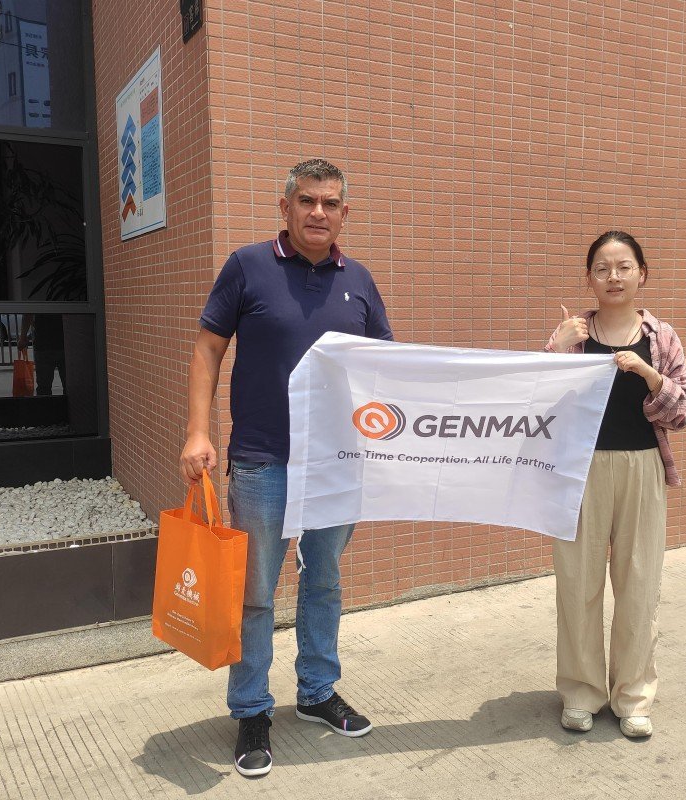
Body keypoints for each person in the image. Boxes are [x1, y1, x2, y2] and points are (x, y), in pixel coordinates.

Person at [179, 159, 392, 778]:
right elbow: (207, 349)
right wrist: (198, 431)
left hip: (336, 464)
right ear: (286, 207)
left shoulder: (360, 281)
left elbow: (387, 368)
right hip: (263, 460)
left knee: (322, 581)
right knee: (255, 593)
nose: (318, 213)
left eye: (329, 203)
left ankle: (318, 691)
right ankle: (251, 709)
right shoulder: (248, 266)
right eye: (306, 201)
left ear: (345, 213)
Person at [544, 230, 686, 739]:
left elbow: (685, 411)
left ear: (641, 274)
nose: (614, 276)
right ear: (589, 278)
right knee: (578, 584)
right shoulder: (573, 333)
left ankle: (633, 697)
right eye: (603, 268)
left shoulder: (661, 337)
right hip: (579, 472)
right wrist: (556, 349)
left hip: (642, 469)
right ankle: (581, 693)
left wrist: (651, 376)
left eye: (624, 266)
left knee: (639, 586)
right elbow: (541, 405)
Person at [17, 314, 66, 395]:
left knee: (44, 387)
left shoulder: (38, 301)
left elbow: (28, 315)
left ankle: (45, 407)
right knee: (70, 386)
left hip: (43, 345)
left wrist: (22, 338)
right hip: (65, 344)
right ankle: (69, 406)